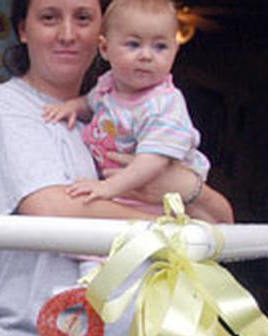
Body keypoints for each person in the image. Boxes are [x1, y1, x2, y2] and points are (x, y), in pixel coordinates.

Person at [0, 0, 233, 336]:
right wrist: (172, 232)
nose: (67, 34)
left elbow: (223, 226)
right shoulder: (6, 105)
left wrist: (185, 187)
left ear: (102, 34)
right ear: (23, 30)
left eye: (83, 18)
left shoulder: (122, 113)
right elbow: (52, 208)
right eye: (49, 18)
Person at [43, 0, 208, 206]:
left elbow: (153, 162)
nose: (146, 56)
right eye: (133, 44)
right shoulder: (109, 84)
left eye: (160, 47)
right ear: (104, 48)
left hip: (161, 200)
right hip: (125, 191)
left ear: (175, 51)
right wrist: (72, 107)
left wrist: (108, 188)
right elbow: (91, 102)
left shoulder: (164, 104)